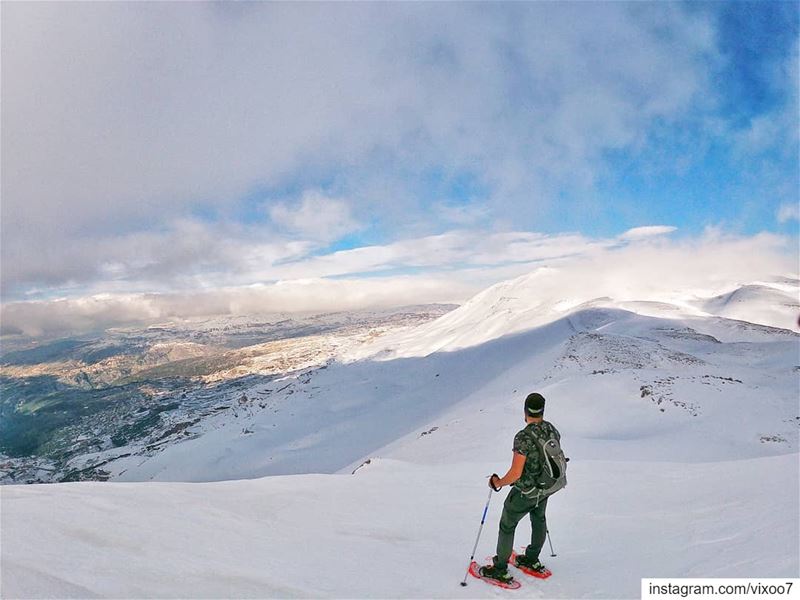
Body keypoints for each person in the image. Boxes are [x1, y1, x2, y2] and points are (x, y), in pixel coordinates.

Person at [479, 392, 561, 584]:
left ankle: (500, 569)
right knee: (539, 518)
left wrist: (497, 483)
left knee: (507, 525)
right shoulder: (552, 430)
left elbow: (516, 473)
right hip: (546, 487)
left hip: (526, 491)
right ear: (542, 410)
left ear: (525, 411)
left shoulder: (523, 437)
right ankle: (531, 559)